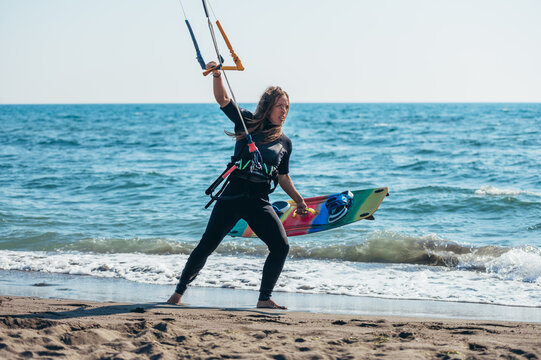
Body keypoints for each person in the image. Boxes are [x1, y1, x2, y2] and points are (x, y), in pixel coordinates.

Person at [167, 62, 308, 309]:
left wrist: (299, 200)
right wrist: (217, 74)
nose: (284, 111)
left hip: (259, 201)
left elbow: (283, 177)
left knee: (281, 246)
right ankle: (177, 294)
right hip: (233, 196)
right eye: (279, 105)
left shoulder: (285, 142)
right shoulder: (247, 123)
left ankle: (264, 298)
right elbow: (222, 99)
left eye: (287, 106)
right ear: (267, 106)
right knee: (206, 246)